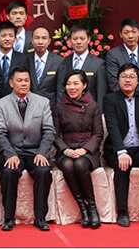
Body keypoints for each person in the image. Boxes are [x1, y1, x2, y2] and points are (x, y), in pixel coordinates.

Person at [0, 66, 54, 232]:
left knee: (43, 171)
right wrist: (10, 154)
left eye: (26, 80)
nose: (24, 84)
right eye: (19, 80)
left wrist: (42, 152)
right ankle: (8, 217)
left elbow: (49, 131)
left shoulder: (42, 102)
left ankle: (40, 217)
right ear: (11, 83)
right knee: (9, 171)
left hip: (36, 151)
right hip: (13, 151)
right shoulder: (1, 104)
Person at [103, 63, 139, 228]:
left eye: (131, 77)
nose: (127, 80)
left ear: (138, 81)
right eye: (124, 76)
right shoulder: (110, 99)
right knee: (123, 165)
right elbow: (113, 127)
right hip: (118, 149)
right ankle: (122, 211)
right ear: (118, 80)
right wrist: (121, 151)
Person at [53, 70, 103, 229]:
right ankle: (82, 207)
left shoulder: (93, 106)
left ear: (84, 85)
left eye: (76, 83)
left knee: (80, 164)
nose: (72, 87)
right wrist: (65, 150)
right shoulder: (59, 107)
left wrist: (85, 149)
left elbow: (98, 134)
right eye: (68, 84)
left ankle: (92, 207)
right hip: (67, 149)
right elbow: (55, 135)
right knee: (68, 165)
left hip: (88, 151)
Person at [57, 24, 107, 112]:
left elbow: (101, 93)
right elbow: (60, 90)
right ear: (70, 41)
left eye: (82, 38)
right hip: (67, 111)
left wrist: (99, 113)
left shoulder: (98, 64)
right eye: (75, 39)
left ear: (89, 40)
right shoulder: (63, 62)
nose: (79, 42)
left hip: (89, 112)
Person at [105, 18, 139, 96]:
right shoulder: (113, 54)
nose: (131, 36)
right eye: (126, 32)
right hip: (121, 100)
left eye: (134, 32)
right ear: (120, 34)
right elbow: (114, 83)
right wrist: (128, 100)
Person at [28, 25, 63, 107]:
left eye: (44, 38)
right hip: (29, 106)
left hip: (50, 107)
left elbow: (60, 89)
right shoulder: (25, 59)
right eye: (37, 38)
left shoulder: (59, 61)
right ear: (32, 40)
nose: (40, 42)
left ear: (49, 41)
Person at [0, 21, 28, 98]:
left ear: (15, 39)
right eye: (3, 36)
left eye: (11, 36)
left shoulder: (23, 59)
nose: (7, 39)